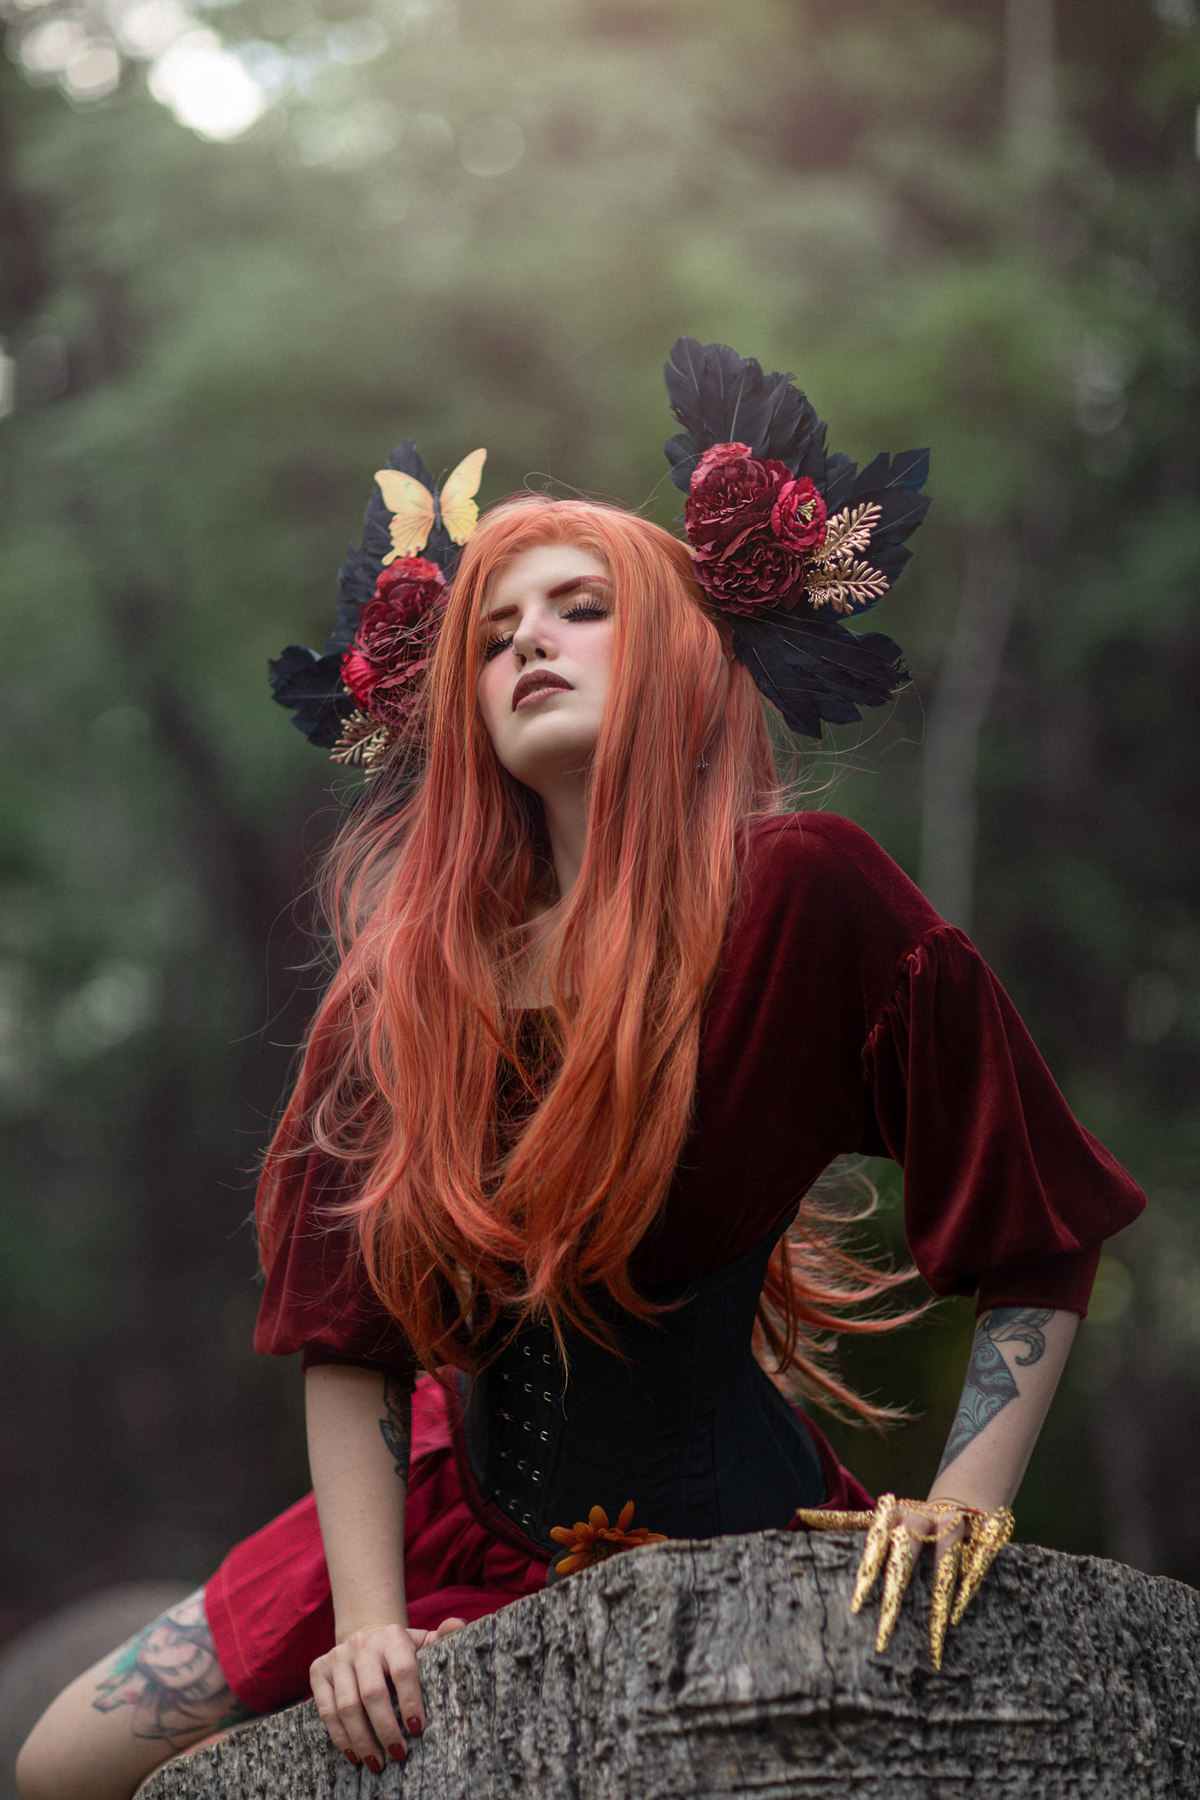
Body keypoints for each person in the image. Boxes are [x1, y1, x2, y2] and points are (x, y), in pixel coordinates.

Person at [16, 342, 1144, 1800]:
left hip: (727, 1530)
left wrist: (960, 1508)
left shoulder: (807, 894)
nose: (527, 645)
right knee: (57, 1767)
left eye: (581, 609)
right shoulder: (405, 982)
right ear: (463, 707)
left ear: (677, 648)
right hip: (440, 1512)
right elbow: (348, 1332)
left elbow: (1038, 1227)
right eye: (493, 636)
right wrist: (367, 1625)